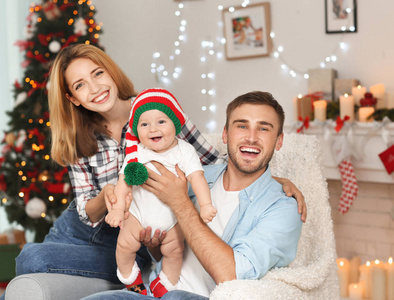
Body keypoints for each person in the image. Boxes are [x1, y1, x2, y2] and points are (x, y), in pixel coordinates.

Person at [7, 44, 305, 298]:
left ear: (111, 72)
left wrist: (273, 180)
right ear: (72, 98)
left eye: (97, 74)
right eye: (80, 85)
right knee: (25, 271)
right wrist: (109, 194)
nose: (95, 88)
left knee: (32, 258)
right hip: (82, 227)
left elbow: (214, 161)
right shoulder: (78, 136)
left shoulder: (158, 110)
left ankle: (133, 282)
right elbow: (87, 211)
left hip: (130, 232)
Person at [81, 91, 304, 299]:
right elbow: (164, 249)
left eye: (264, 128)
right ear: (225, 134)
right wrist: (153, 242)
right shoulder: (192, 175)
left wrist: (180, 202)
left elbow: (232, 275)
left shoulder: (283, 208)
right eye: (242, 126)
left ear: (279, 141)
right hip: (154, 289)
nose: (252, 137)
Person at [105, 88, 217, 297]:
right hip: (138, 216)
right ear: (136, 130)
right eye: (144, 124)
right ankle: (132, 280)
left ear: (175, 124)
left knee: (175, 252)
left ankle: (164, 284)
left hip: (173, 218)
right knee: (123, 246)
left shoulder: (184, 151)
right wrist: (118, 208)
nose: (152, 129)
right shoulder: (137, 152)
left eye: (161, 122)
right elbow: (124, 181)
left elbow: (197, 177)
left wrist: (206, 205)